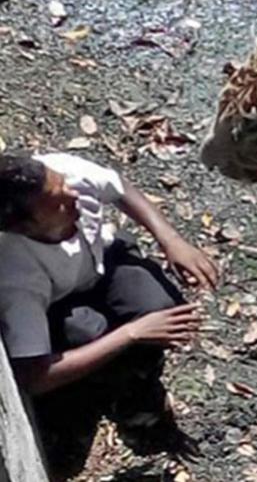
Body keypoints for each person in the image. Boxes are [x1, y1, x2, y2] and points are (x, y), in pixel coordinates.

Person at [0, 152, 219, 395]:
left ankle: (137, 362)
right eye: (57, 203)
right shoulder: (16, 276)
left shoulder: (64, 173)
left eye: (63, 183)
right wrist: (131, 333)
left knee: (160, 306)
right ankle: (115, 392)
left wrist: (170, 240)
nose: (73, 195)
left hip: (103, 261)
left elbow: (118, 187)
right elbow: (33, 376)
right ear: (24, 227)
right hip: (59, 305)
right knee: (88, 334)